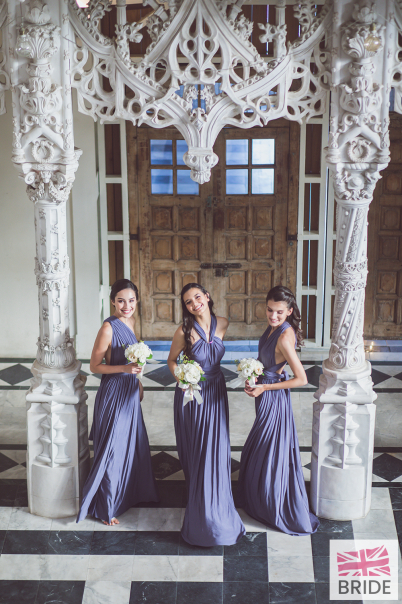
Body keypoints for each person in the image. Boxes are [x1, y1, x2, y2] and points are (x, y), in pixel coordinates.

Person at [167, 283, 246, 546]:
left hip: (216, 391)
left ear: (207, 297)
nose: (194, 304)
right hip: (194, 395)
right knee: (200, 449)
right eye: (188, 302)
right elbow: (171, 360)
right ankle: (202, 508)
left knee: (218, 447)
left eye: (197, 297)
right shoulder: (184, 331)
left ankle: (217, 500)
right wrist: (183, 378)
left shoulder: (223, 323)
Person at [237, 285, 319, 535]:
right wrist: (255, 377)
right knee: (265, 445)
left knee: (268, 447)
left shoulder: (284, 336)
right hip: (265, 391)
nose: (273, 316)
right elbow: (270, 363)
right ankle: (260, 495)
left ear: (289, 311)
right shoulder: (274, 328)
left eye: (279, 312)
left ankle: (270, 503)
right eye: (270, 310)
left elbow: (302, 379)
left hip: (272, 398)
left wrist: (265, 387)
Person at [77, 279, 158, 526]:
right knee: (112, 448)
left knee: (131, 443)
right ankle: (106, 506)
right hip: (114, 392)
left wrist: (138, 381)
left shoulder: (131, 321)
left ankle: (131, 493)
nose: (127, 306)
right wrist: (124, 369)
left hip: (130, 389)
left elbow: (134, 359)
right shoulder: (108, 328)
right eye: (121, 301)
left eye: (131, 300)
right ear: (112, 301)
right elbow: (94, 366)